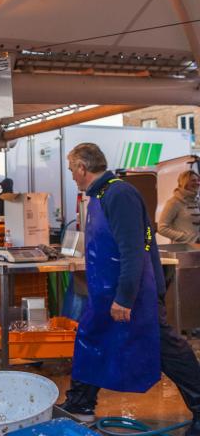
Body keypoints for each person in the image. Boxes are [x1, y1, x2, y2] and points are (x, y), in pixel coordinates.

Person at [60, 143, 200, 433]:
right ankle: (80, 404)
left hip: (133, 295)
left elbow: (133, 249)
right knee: (92, 340)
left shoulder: (119, 193)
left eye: (72, 168)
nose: (72, 174)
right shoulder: (100, 195)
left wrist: (124, 298)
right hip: (106, 294)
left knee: (165, 348)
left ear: (83, 168)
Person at [158, 170, 200, 243]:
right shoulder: (174, 202)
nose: (197, 183)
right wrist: (188, 238)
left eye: (198, 180)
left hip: (196, 249)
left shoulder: (197, 201)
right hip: (181, 249)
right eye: (193, 180)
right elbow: (162, 228)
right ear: (185, 183)